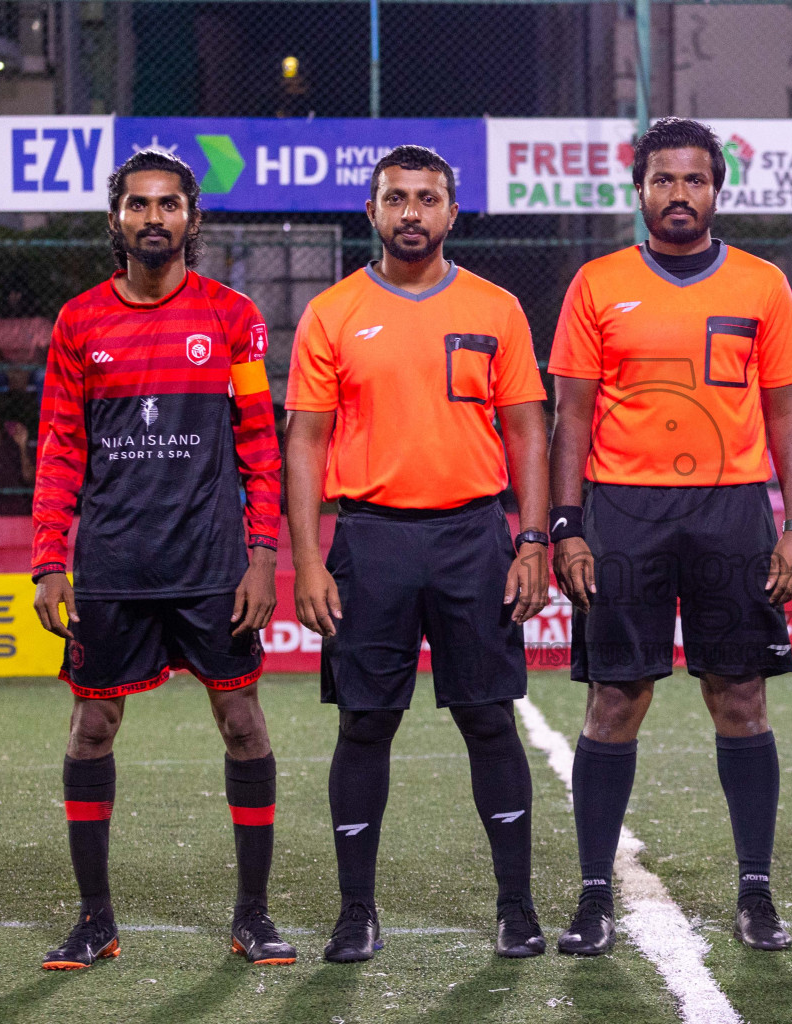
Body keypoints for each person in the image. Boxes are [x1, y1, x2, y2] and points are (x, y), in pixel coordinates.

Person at [548, 116, 792, 956]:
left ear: (716, 190)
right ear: (640, 190)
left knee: (739, 698)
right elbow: (570, 420)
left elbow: (788, 416)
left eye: (694, 180)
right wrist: (568, 527)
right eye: (663, 180)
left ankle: (756, 891)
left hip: (731, 509)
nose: (679, 195)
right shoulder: (597, 284)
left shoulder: (764, 285)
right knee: (615, 699)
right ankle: (594, 895)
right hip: (623, 510)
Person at [284, 145, 551, 963]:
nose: (411, 212)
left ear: (451, 213)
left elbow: (528, 430)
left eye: (426, 198)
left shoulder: (497, 307)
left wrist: (532, 539)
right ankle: (356, 912)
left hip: (474, 537)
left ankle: (515, 906)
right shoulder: (331, 312)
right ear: (372, 212)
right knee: (365, 723)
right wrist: (306, 559)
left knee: (487, 719)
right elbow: (305, 441)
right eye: (395, 198)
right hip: (370, 538)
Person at [31, 150, 294, 970]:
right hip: (113, 564)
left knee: (244, 724)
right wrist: (49, 561)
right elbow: (60, 448)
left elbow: (259, 441)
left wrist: (262, 555)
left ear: (191, 217)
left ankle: (252, 915)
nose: (154, 219)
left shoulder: (231, 316)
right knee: (92, 727)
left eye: (169, 205)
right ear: (115, 218)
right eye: (139, 205)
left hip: (213, 565)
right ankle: (95, 919)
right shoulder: (79, 323)